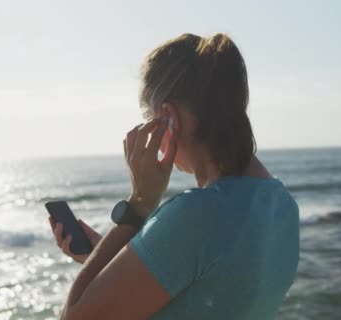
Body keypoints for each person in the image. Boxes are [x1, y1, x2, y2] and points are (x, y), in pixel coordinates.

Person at [48, 33, 299, 320]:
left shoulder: (197, 215)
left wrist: (140, 203)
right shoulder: (283, 206)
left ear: (168, 117)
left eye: (147, 116)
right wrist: (111, 259)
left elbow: (76, 316)